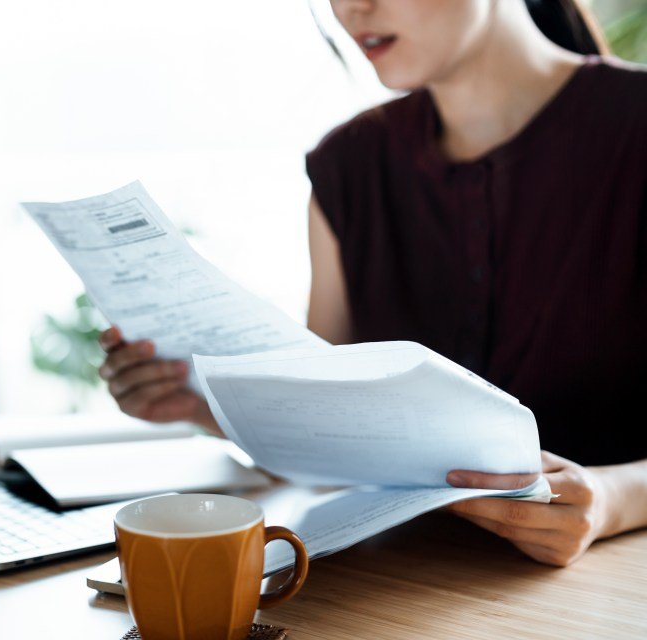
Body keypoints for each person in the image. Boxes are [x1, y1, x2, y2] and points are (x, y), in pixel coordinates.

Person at [97, 0, 647, 567]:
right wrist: (198, 405)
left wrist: (611, 500)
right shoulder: (347, 167)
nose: (353, 8)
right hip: (390, 587)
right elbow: (333, 430)